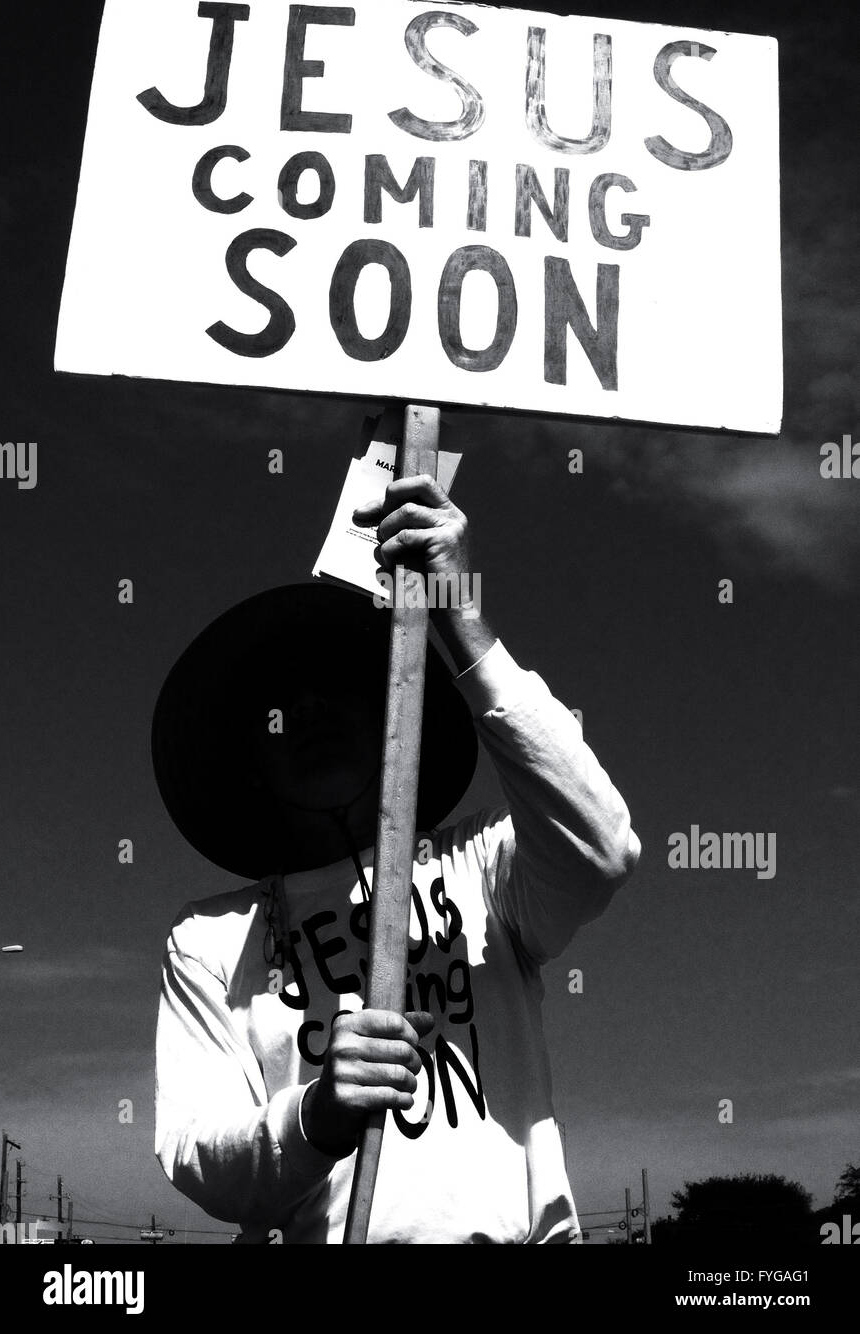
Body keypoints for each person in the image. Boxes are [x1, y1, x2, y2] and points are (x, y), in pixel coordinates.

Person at [152, 474, 641, 1244]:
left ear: (389, 711)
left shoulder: (479, 861)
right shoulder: (211, 937)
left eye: (333, 691)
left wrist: (462, 618)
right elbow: (194, 1153)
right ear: (249, 757)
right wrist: (316, 1113)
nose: (307, 712)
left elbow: (602, 849)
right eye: (281, 708)